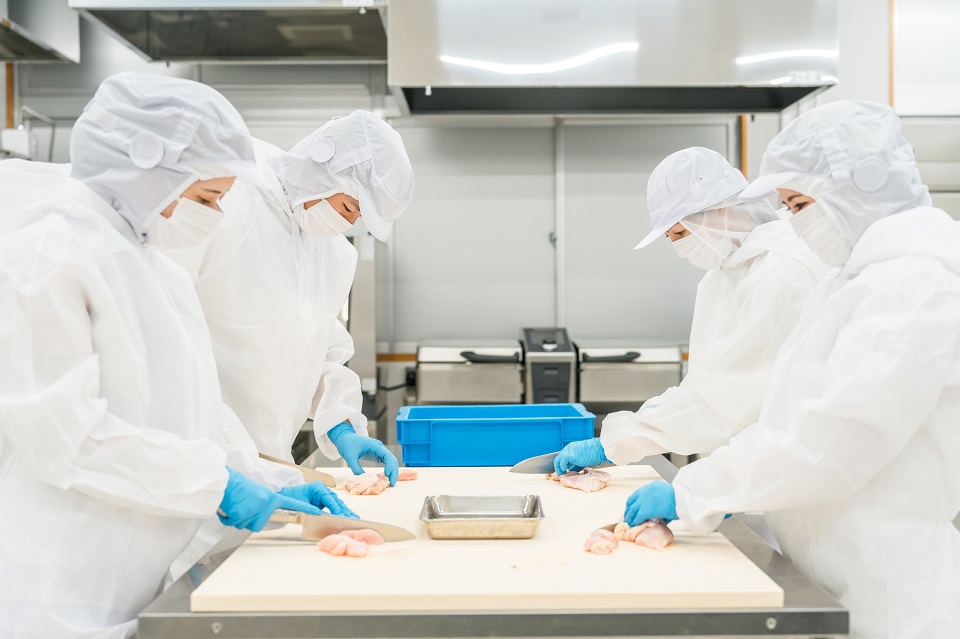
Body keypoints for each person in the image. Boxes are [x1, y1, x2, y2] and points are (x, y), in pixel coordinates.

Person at [0, 72, 354, 639]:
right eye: (207, 198)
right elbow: (61, 438)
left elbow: (194, 414)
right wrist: (216, 485)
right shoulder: (49, 254)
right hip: (56, 589)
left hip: (135, 578)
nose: (215, 216)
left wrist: (269, 480)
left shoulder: (154, 268)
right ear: (144, 171)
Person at [622, 101, 960, 639]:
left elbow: (834, 438)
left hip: (892, 591)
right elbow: (785, 418)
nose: (794, 222)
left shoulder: (915, 286)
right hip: (826, 566)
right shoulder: (849, 283)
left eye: (799, 203)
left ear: (863, 186)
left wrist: (701, 489)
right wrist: (713, 484)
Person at [159, 111, 413, 483]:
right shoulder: (226, 201)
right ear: (322, 170)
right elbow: (162, 333)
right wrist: (225, 455)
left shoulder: (331, 252)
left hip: (268, 466)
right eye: (348, 207)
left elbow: (320, 349)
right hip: (199, 459)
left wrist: (341, 424)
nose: (347, 223)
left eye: (357, 218)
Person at [554, 147, 826, 475]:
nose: (680, 249)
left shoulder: (781, 273)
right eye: (671, 238)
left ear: (721, 209)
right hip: (739, 469)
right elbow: (703, 385)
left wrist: (617, 443)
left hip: (777, 471)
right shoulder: (724, 274)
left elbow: (727, 399)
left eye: (681, 233)